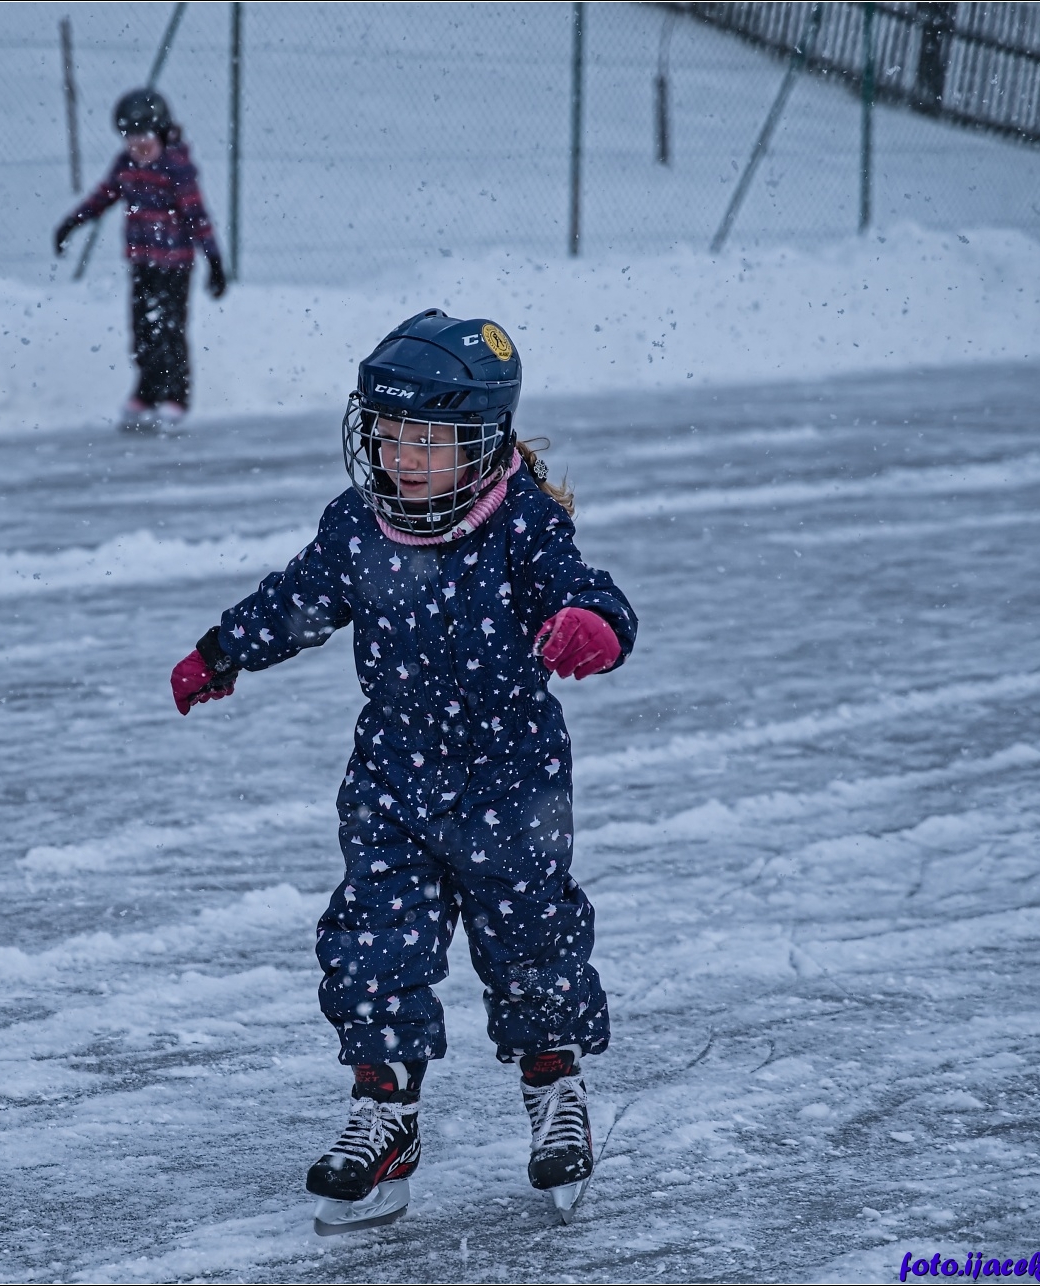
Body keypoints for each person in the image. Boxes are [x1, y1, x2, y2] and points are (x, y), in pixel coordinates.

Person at [168, 311, 637, 1234]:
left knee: (532, 941)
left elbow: (585, 588)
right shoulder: (360, 526)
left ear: (483, 441)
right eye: (387, 435)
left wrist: (594, 626)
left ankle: (555, 1087)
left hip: (509, 778)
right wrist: (223, 651)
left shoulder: (522, 526)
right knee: (373, 943)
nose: (401, 457)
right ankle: (384, 1116)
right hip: (392, 777)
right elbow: (298, 599)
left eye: (427, 440)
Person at [53, 89, 225, 433]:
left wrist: (215, 262)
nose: (137, 146)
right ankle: (147, 393)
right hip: (142, 263)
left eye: (144, 138)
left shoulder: (177, 168)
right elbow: (103, 196)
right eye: (129, 138)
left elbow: (197, 216)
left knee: (169, 330)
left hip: (174, 265)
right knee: (143, 331)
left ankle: (176, 397)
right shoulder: (126, 165)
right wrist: (72, 223)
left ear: (160, 132)